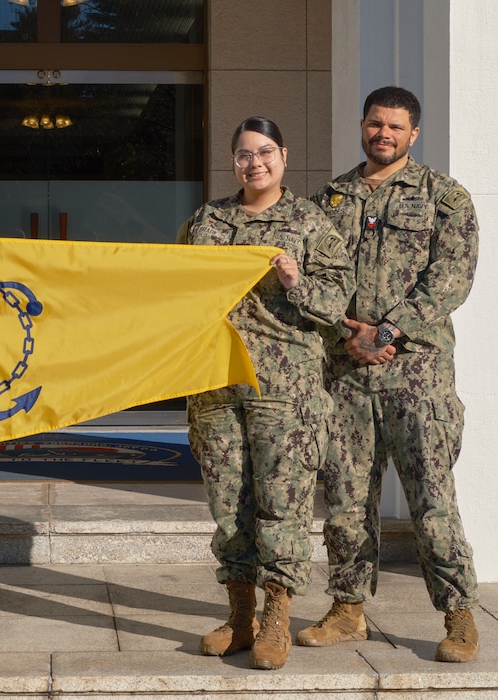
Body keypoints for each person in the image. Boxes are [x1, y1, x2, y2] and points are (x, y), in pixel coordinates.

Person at [298, 86, 480, 662]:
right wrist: (346, 335)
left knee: (432, 498)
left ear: (413, 134)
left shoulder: (445, 197)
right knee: (347, 500)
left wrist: (387, 332)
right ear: (362, 124)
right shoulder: (328, 200)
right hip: (348, 372)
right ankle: (348, 609)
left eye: (396, 127)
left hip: (417, 374)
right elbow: (311, 281)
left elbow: (450, 279)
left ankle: (457, 617)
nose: (384, 134)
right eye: (376, 124)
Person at [177, 117, 352, 670]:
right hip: (215, 385)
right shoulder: (208, 220)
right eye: (243, 155)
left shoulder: (310, 223)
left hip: (286, 388)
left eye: (264, 152)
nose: (254, 163)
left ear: (284, 154)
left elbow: (335, 306)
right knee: (229, 505)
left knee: (282, 505)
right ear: (232, 162)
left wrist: (298, 281)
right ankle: (240, 615)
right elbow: (174, 289)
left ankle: (278, 616)